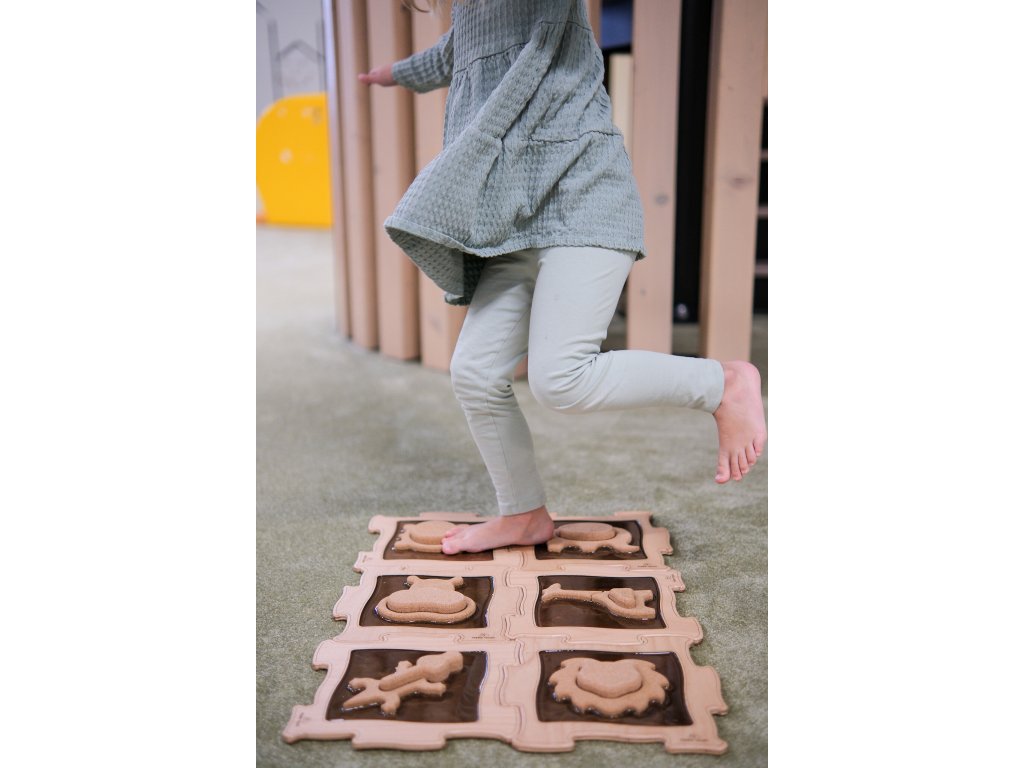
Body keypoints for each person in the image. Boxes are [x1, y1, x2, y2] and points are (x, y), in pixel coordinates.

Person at [358, 0, 766, 554]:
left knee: (561, 379)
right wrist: (395, 73)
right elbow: (452, 52)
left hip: (584, 199)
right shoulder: (469, 8)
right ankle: (523, 513)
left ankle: (723, 383)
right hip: (514, 218)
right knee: (475, 372)